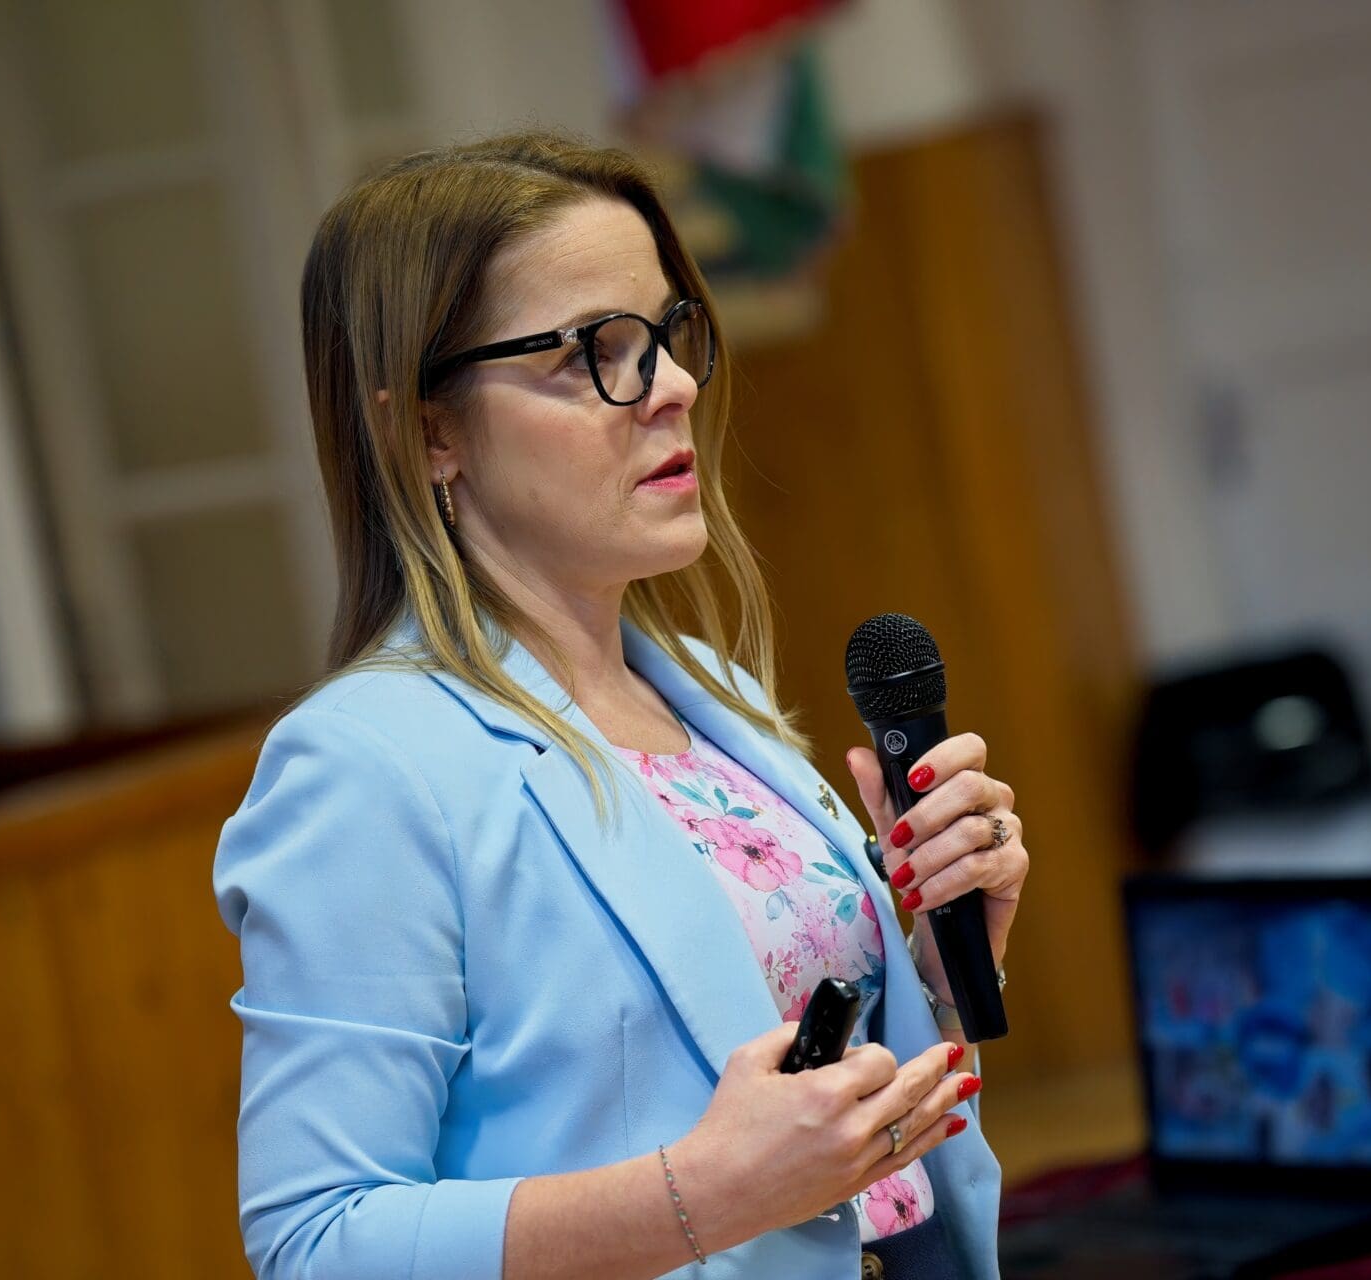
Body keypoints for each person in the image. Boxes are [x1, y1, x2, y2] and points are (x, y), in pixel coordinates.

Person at [212, 130, 1030, 1280]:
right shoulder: (364, 766)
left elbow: (827, 1124)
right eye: (595, 350)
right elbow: (315, 1240)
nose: (676, 386)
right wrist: (703, 1194)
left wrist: (939, 969)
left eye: (666, 333)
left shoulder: (710, 692)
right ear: (427, 431)